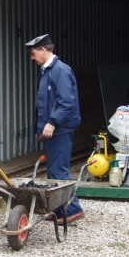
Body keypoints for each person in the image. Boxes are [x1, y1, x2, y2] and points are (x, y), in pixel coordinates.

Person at [25, 34, 84, 222]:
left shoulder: (60, 70)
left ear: (43, 50)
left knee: (59, 172)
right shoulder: (48, 71)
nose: (32, 58)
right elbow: (44, 103)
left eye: (34, 53)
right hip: (52, 130)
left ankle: (72, 210)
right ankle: (60, 210)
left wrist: (52, 122)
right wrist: (41, 128)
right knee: (53, 172)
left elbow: (67, 102)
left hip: (60, 129)